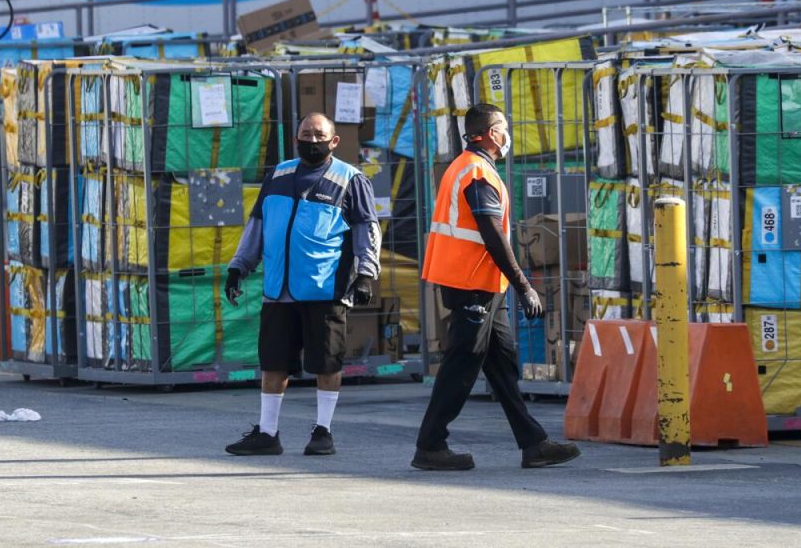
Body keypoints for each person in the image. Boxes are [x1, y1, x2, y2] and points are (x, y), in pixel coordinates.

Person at [412, 103, 581, 470]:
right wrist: (524, 285)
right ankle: (430, 444)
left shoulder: (470, 167)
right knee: (462, 362)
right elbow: (490, 233)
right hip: (471, 282)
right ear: (490, 133)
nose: (508, 136)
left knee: (501, 363)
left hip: (483, 283)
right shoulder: (476, 173)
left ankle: (534, 443)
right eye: (504, 128)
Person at [223, 112, 381, 457]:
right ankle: (267, 433)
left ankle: (323, 431)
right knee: (273, 362)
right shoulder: (278, 175)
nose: (312, 140)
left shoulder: (350, 180)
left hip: (325, 289)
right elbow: (258, 225)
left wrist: (366, 274)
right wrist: (239, 266)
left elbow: (366, 231)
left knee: (327, 362)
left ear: (333, 141)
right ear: (296, 139)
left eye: (319, 135)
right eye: (305, 134)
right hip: (278, 290)